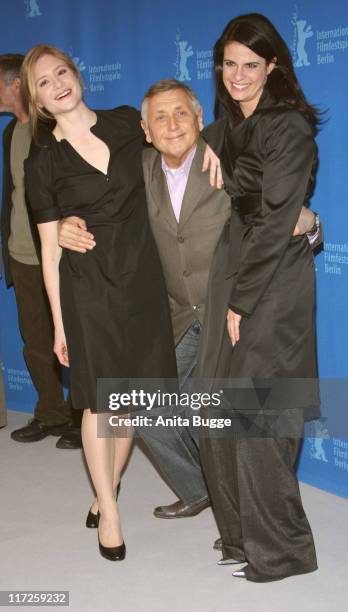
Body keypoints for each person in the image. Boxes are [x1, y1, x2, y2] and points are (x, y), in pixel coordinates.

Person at [58, 79, 321, 538]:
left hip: (230, 318)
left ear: (202, 120)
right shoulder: (133, 171)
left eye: (182, 113)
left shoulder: (231, 163)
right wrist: (66, 223)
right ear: (144, 129)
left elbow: (280, 210)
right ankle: (201, 488)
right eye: (159, 116)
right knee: (138, 403)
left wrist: (313, 224)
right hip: (176, 317)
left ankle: (247, 515)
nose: (172, 124)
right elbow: (92, 208)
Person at [21, 45, 177, 561]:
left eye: (61, 72)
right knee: (98, 399)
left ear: (77, 74)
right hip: (87, 287)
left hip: (142, 279)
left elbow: (181, 144)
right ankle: (110, 510)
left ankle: (102, 487)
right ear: (37, 99)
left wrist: (213, 153)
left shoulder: (128, 122)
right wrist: (59, 325)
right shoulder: (42, 160)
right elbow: (47, 251)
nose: (57, 84)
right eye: (44, 82)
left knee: (129, 399)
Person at [195, 13, 320, 582]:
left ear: (274, 65)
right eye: (229, 63)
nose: (238, 75)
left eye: (251, 64)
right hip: (233, 262)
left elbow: (278, 221)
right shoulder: (227, 125)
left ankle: (283, 550)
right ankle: (242, 535)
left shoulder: (287, 126)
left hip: (271, 275)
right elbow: (164, 133)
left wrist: (242, 300)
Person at [0, 53, 82, 449]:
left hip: (59, 256)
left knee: (76, 341)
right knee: (35, 342)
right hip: (21, 255)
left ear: (16, 85)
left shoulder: (52, 129)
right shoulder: (9, 134)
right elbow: (13, 195)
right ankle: (51, 413)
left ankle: (84, 420)